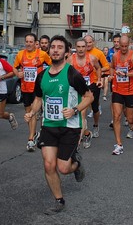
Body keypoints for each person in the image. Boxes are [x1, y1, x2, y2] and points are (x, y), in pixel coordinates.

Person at [24, 35, 94, 215]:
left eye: (59, 47)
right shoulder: (42, 76)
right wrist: (32, 112)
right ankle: (59, 200)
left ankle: (76, 164)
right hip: (49, 126)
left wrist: (75, 110)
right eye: (53, 47)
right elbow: (39, 98)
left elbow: (89, 97)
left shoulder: (73, 74)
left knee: (63, 168)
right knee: (48, 165)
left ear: (66, 52)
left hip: (70, 126)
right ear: (49, 51)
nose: (55, 49)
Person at [14, 33, 52, 151]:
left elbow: (53, 66)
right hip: (25, 87)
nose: (28, 44)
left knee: (34, 112)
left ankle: (31, 139)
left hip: (37, 87)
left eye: (31, 42)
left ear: (36, 43)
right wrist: (17, 73)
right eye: (27, 41)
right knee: (28, 113)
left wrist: (46, 77)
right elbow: (14, 67)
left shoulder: (42, 54)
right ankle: (34, 133)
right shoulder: (20, 54)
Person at [109, 34, 133, 155]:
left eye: (125, 46)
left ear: (129, 45)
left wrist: (126, 74)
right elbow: (111, 68)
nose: (123, 48)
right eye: (121, 46)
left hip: (130, 90)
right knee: (117, 116)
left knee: (130, 118)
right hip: (118, 89)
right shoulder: (115, 56)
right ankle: (118, 144)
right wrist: (112, 75)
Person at [70, 38, 102, 147]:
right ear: (75, 47)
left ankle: (77, 142)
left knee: (82, 112)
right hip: (74, 90)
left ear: (86, 47)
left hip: (88, 89)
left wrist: (99, 80)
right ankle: (87, 133)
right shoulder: (70, 59)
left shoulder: (92, 58)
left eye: (83, 47)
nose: (81, 49)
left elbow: (98, 68)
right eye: (78, 47)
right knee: (77, 114)